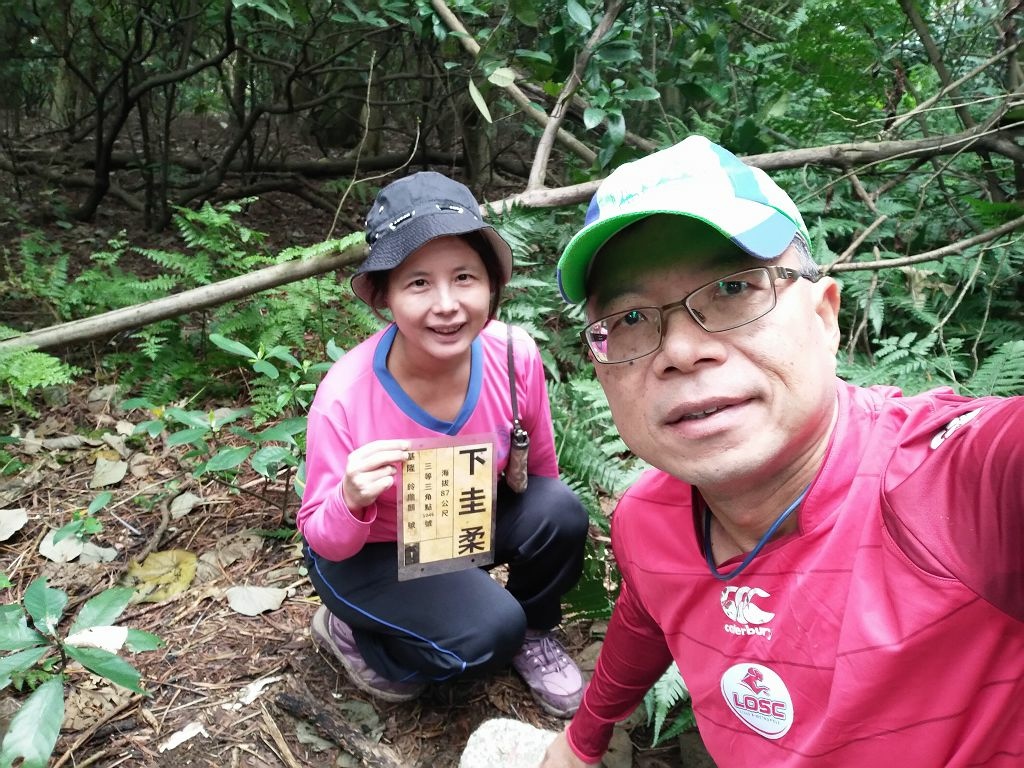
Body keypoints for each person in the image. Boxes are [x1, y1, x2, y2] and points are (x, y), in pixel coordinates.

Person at [539, 135, 1024, 766]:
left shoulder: (955, 489)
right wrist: (582, 740)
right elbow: (645, 616)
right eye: (630, 319)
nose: (681, 351)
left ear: (826, 316)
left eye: (735, 288)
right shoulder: (645, 518)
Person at [297, 171, 588, 717]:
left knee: (561, 510)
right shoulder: (347, 396)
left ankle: (534, 631)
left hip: (456, 521)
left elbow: (540, 476)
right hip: (371, 552)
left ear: (492, 286)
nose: (448, 305)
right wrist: (351, 498)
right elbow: (322, 537)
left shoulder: (511, 355)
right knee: (484, 638)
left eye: (464, 277)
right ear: (384, 297)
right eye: (418, 284)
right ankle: (357, 634)